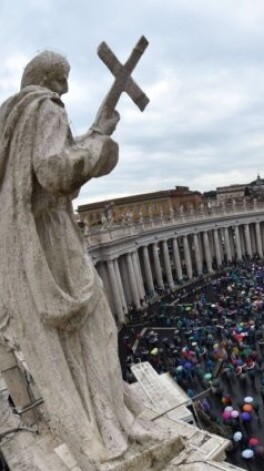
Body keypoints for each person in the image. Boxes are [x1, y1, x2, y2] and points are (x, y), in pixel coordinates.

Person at [0, 51, 173, 470]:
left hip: (27, 243)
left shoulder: (9, 118)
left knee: (70, 342)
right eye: (64, 79)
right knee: (96, 329)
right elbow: (55, 171)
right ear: (48, 80)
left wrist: (95, 129)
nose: (68, 89)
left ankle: (103, 427)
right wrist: (99, 142)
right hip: (54, 238)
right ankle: (111, 430)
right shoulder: (46, 106)